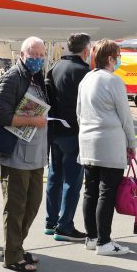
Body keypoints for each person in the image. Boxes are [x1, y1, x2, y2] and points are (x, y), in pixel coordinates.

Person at [0, 36, 50, 272]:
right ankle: (12, 256)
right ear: (22, 55)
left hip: (35, 154)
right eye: (33, 55)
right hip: (16, 154)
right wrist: (32, 120)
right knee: (15, 207)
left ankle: (15, 246)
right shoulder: (13, 77)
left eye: (40, 55)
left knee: (32, 205)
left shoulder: (36, 77)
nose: (37, 60)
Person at [76, 39, 137, 256]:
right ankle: (104, 241)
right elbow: (125, 117)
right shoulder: (113, 81)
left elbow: (78, 112)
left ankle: (91, 237)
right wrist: (132, 143)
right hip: (109, 144)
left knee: (90, 191)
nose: (119, 60)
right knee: (107, 193)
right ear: (110, 59)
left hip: (87, 143)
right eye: (118, 56)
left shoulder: (86, 79)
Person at [44, 33, 91, 242]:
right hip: (74, 132)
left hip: (54, 131)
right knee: (72, 181)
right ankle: (65, 226)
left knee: (55, 176)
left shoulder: (55, 67)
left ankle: (51, 221)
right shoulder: (83, 71)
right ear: (86, 50)